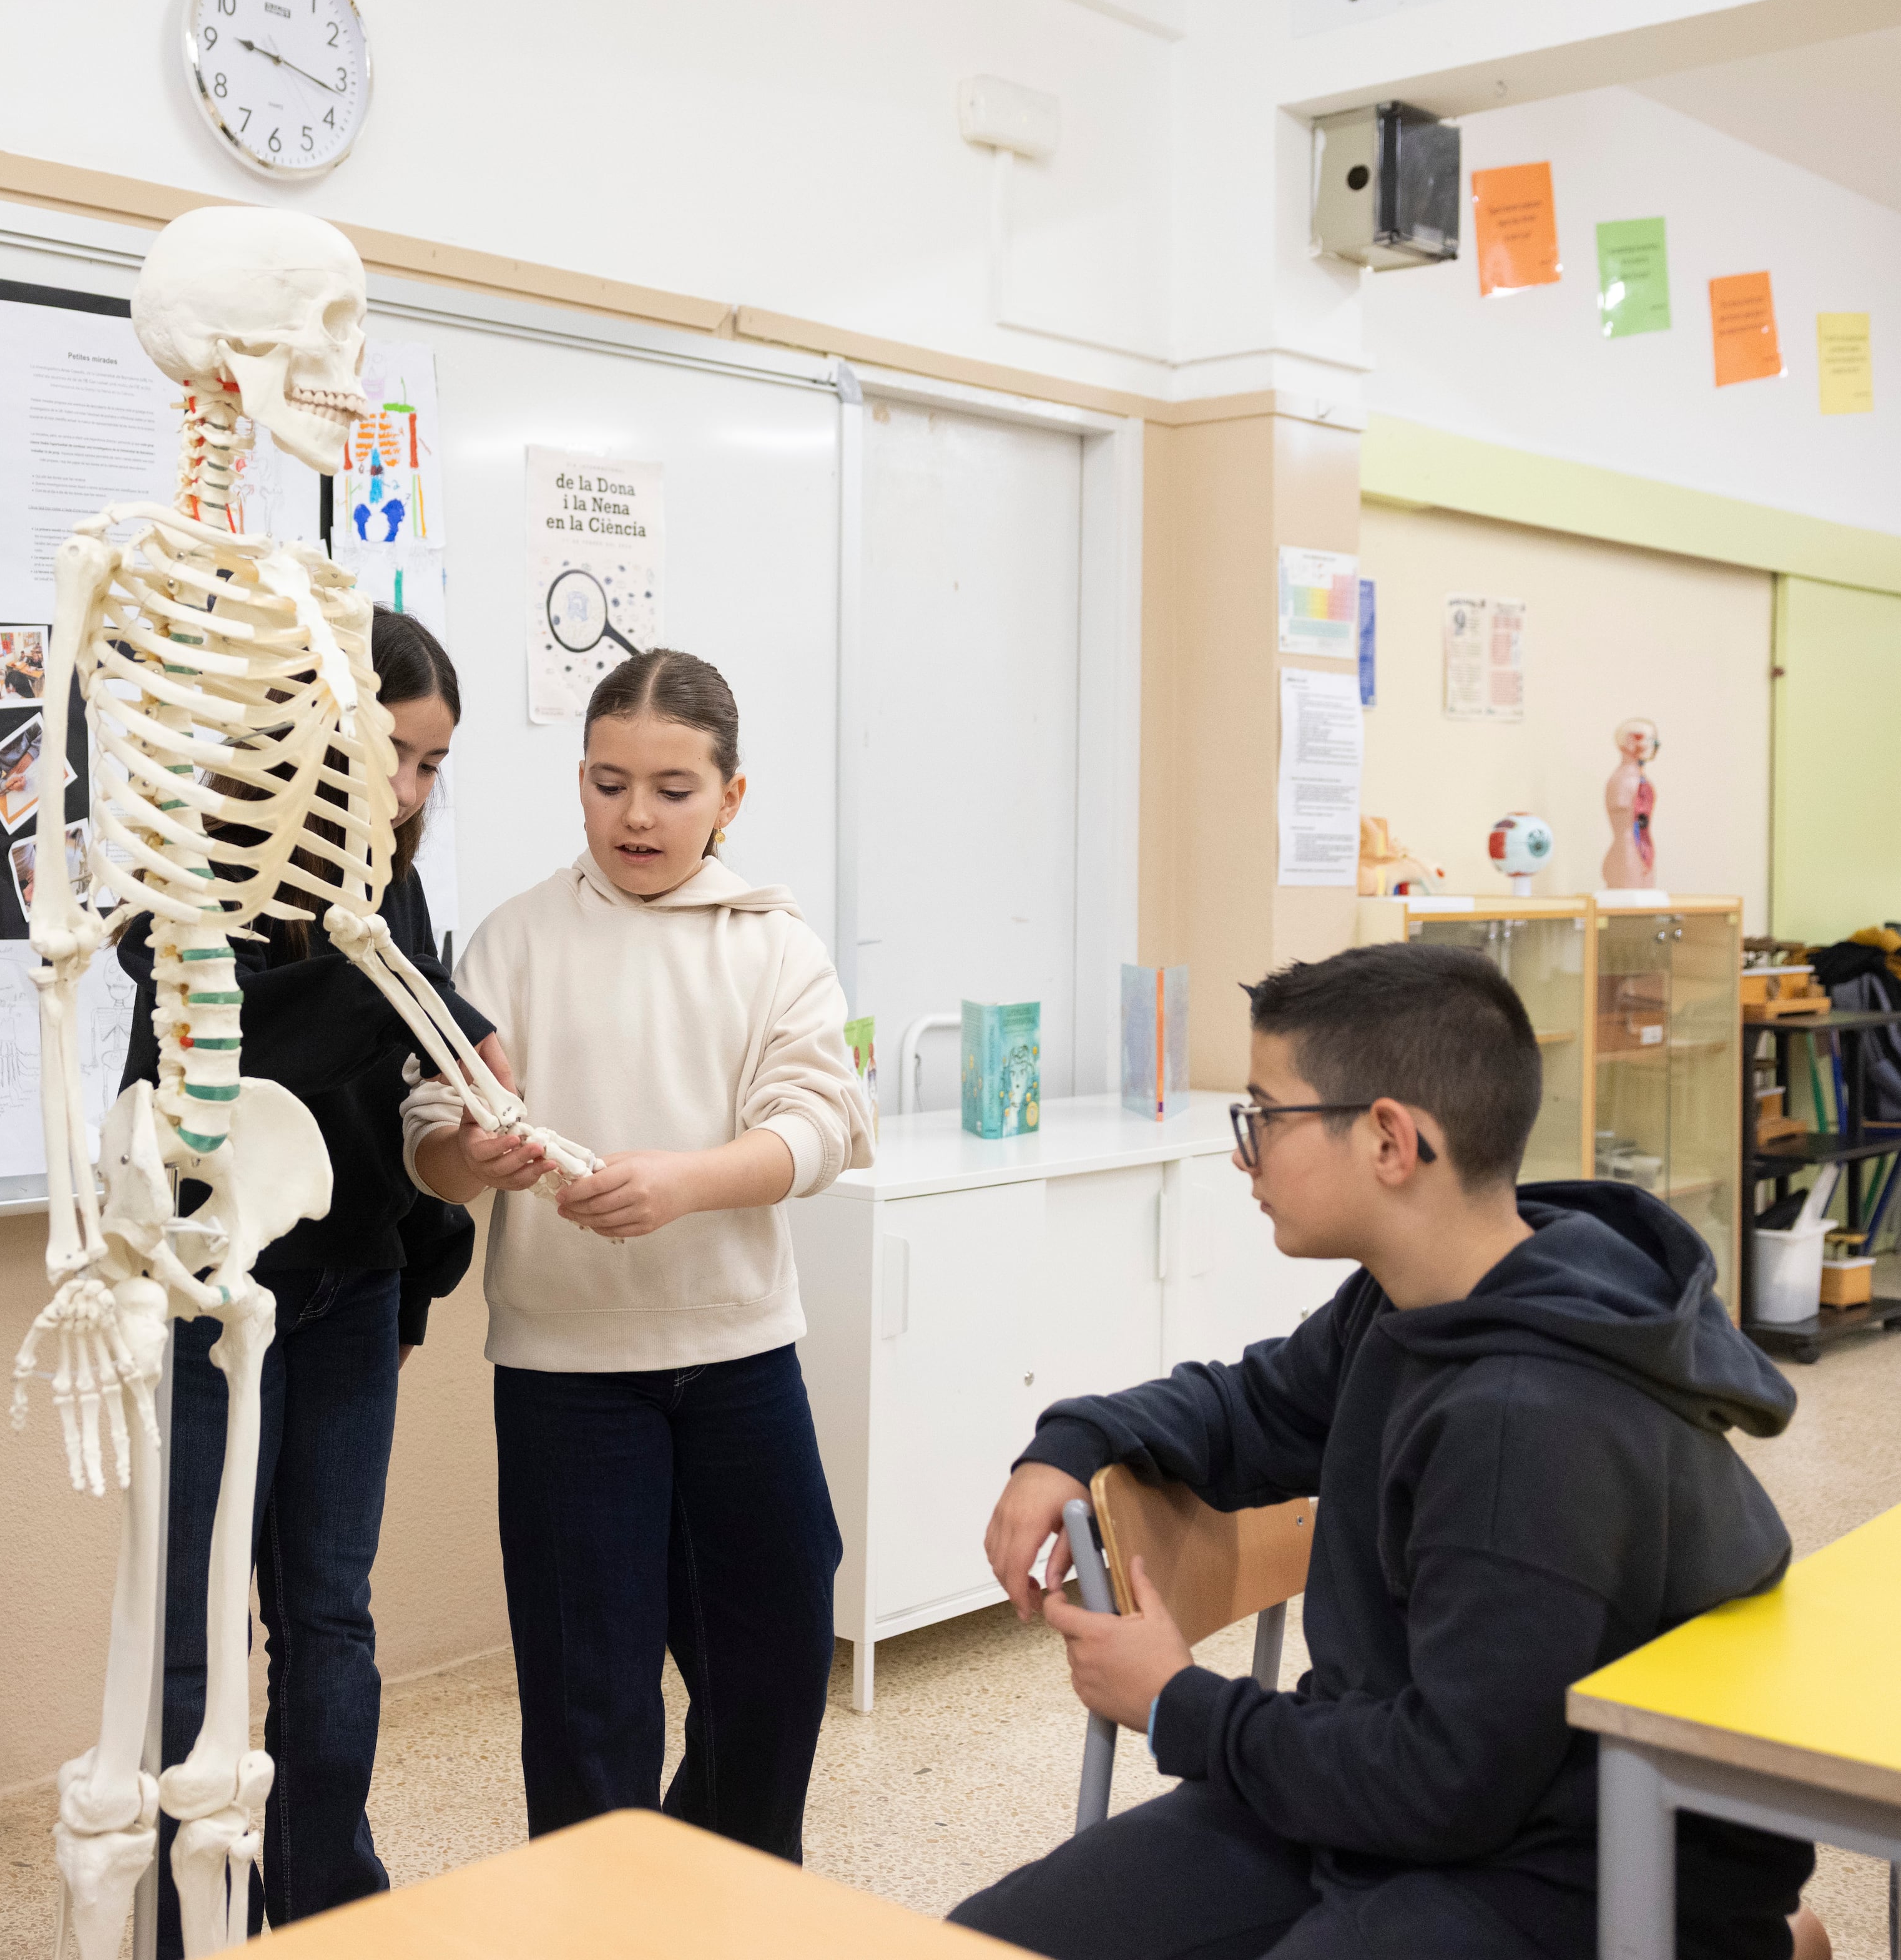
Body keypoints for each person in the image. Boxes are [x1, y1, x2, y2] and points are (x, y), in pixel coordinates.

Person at [952, 943, 1813, 1960]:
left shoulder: (1525, 1423)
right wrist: (1074, 1441)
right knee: (973, 1945)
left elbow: (1447, 1787)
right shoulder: (1415, 1300)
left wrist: (1180, 1704)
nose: (1244, 1155)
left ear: (1392, 1142)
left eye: (1264, 1119)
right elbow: (1252, 1407)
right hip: (1380, 1799)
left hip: (1561, 1871)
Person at [403, 647, 869, 1863]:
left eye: (671, 787)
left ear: (730, 796)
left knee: (770, 1664)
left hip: (739, 1363)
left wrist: (680, 1186)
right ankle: (603, 1920)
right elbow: (430, 1142)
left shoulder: (775, 946)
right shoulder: (510, 942)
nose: (637, 815)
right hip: (566, 1383)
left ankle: (723, 1901)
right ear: (579, 783)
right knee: (587, 1704)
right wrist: (470, 1156)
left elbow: (821, 1129)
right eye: (609, 784)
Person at [128, 610, 510, 1951]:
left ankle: (324, 1911)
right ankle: (190, 1923)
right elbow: (240, 1052)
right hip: (201, 1300)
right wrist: (446, 1017)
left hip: (344, 1294)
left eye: (430, 770)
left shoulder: (383, 878)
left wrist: (413, 1287)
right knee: (190, 1638)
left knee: (328, 1622)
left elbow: (391, 1099)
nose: (408, 796)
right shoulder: (187, 861)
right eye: (394, 758)